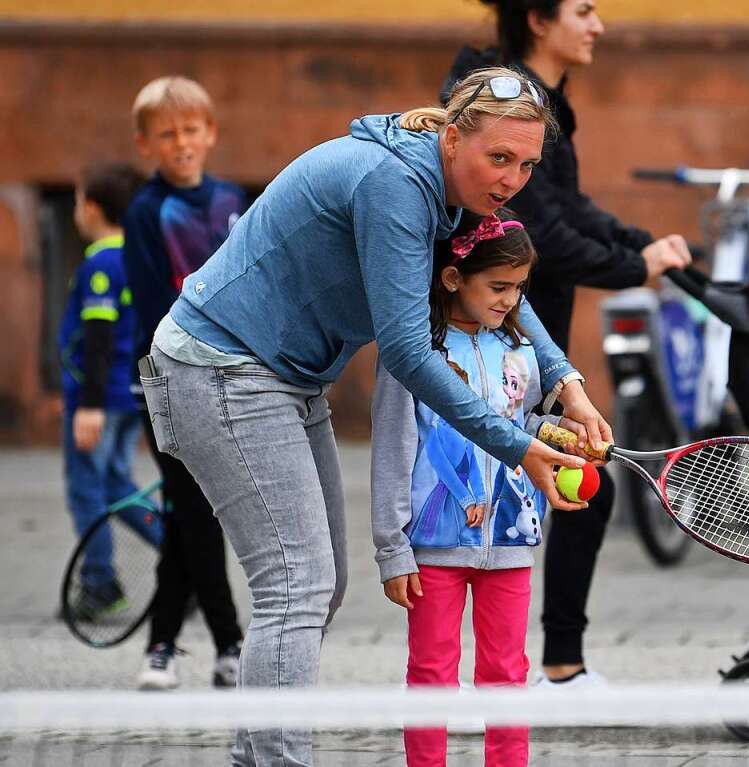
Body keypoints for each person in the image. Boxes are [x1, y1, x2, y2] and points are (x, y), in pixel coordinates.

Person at [139, 67, 608, 766]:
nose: (512, 179)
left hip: (285, 377)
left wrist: (567, 382)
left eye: (528, 164)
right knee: (296, 584)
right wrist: (518, 446)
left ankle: (255, 756)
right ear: (452, 138)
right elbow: (410, 353)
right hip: (218, 367)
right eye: (499, 158)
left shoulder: (453, 191)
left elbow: (503, 281)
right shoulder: (397, 187)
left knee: (314, 590)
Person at [441, 0, 693, 688]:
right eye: (584, 10)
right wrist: (633, 267)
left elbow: (568, 208)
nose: (598, 25)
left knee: (578, 489)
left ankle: (548, 663)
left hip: (526, 334)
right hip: (486, 339)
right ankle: (537, 665)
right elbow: (543, 236)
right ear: (538, 19)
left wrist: (640, 244)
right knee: (498, 503)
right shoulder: (507, 111)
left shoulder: (542, 104)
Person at [372, 209, 586, 767]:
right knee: (431, 674)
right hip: (433, 547)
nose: (510, 302)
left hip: (513, 541)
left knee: (507, 673)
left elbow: (521, 427)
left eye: (518, 289)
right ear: (452, 279)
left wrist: (558, 435)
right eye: (497, 287)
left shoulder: (518, 353)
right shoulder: (411, 357)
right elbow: (394, 451)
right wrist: (392, 549)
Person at [122, 76, 245, 691]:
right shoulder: (146, 212)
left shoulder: (228, 200)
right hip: (165, 381)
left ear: (210, 133)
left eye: (191, 130)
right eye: (167, 134)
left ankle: (166, 646)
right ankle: (226, 643)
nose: (181, 143)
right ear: (146, 144)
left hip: (232, 376)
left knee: (193, 513)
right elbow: (150, 308)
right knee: (195, 508)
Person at [59, 162, 159, 620]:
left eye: (78, 201)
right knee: (118, 485)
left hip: (97, 399)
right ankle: (184, 556)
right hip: (130, 393)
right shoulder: (139, 255)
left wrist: (89, 405)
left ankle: (99, 582)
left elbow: (98, 339)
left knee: (88, 491)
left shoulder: (101, 262)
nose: (77, 210)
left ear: (94, 208)